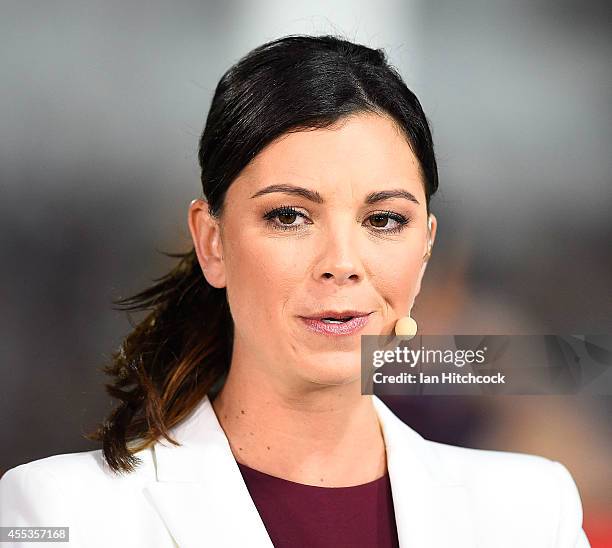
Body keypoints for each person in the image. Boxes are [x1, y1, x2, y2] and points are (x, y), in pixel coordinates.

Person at [0, 34, 590, 548]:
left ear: (427, 247)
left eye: (384, 220)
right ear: (213, 243)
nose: (341, 264)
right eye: (289, 216)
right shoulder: (65, 513)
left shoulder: (531, 512)